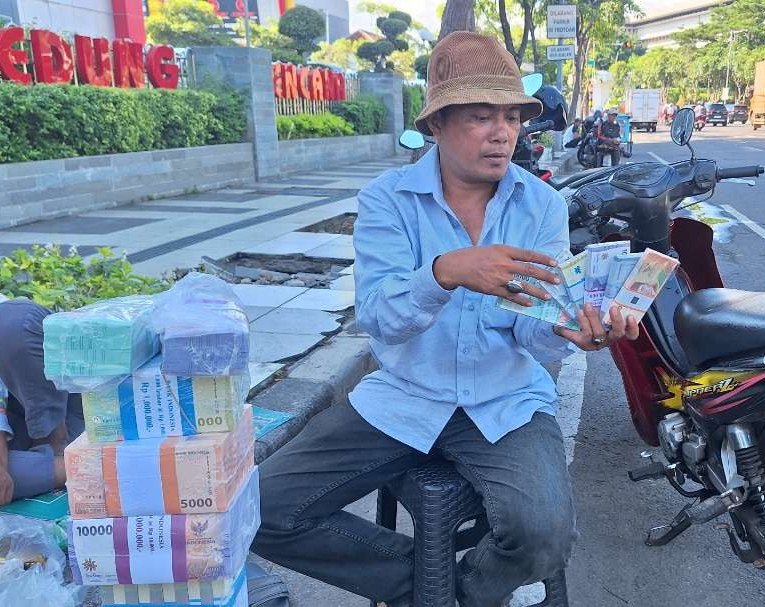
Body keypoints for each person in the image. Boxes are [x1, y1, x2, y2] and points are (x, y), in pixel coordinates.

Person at [251, 32, 641, 607]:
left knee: (544, 538)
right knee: (260, 508)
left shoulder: (541, 206)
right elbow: (380, 318)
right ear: (437, 125)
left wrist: (572, 331)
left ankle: (458, 592)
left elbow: (534, 325)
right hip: (404, 397)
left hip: (505, 400)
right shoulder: (389, 200)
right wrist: (444, 272)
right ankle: (426, 587)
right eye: (481, 117)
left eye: (511, 117)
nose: (503, 133)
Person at [0, 287, 81, 515]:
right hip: (13, 454)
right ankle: (86, 466)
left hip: (54, 399)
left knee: (9, 323)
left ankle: (56, 440)